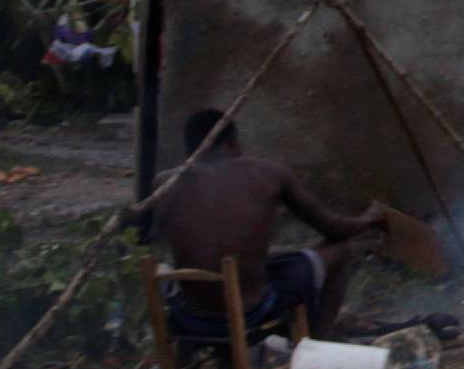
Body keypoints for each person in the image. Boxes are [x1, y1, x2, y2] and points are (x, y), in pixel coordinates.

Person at [156, 109, 386, 341]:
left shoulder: (164, 183)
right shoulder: (268, 173)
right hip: (250, 313)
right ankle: (315, 348)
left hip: (190, 318)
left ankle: (191, 367)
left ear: (189, 149)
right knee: (342, 250)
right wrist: (371, 218)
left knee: (251, 266)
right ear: (234, 141)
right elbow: (335, 229)